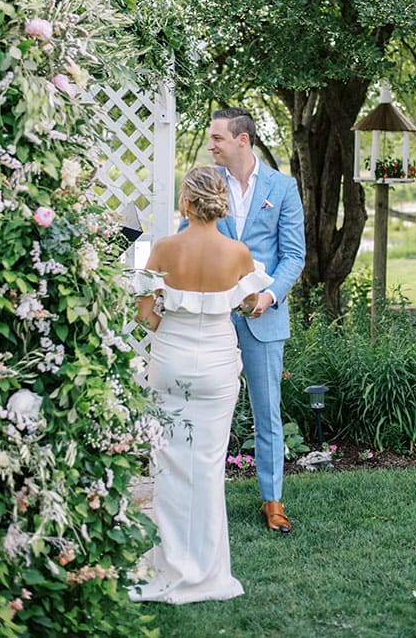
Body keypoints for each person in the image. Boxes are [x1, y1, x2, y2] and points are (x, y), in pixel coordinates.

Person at [129, 166, 273, 604]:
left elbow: (145, 317)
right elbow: (251, 307)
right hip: (216, 366)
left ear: (186, 203)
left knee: (169, 466)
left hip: (170, 362)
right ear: (219, 202)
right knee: (208, 468)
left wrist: (172, 320)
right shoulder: (238, 253)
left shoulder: (162, 250)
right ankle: (208, 575)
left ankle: (171, 569)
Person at [192, 107, 305, 534]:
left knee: (266, 411)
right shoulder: (207, 185)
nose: (211, 145)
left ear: (242, 140)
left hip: (264, 317)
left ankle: (272, 501)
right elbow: (192, 238)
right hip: (214, 317)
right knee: (207, 406)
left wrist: (270, 295)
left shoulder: (283, 187)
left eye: (217, 138)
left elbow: (294, 254)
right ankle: (204, 496)